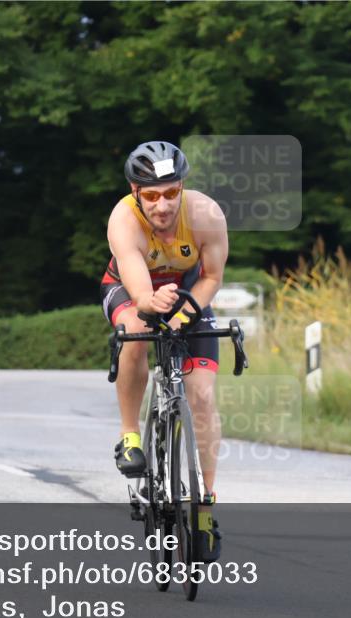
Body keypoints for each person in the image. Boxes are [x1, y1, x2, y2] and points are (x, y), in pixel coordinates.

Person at [100, 141, 228, 513]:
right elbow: (141, 295)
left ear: (182, 187)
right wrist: (150, 303)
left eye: (171, 193)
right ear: (135, 192)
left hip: (189, 294)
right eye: (152, 196)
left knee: (202, 395)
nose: (163, 205)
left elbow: (212, 277)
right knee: (134, 332)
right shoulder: (123, 220)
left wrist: (181, 317)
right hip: (131, 290)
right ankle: (129, 435)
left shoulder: (206, 214)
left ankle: (205, 501)